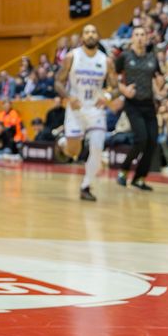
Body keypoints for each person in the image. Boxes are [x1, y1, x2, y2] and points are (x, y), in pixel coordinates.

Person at [56, 23, 117, 202]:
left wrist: (106, 95)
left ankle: (86, 186)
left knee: (97, 150)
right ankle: (62, 143)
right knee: (74, 151)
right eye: (87, 32)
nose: (90, 35)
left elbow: (115, 87)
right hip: (76, 109)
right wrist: (68, 97)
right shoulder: (71, 57)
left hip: (96, 110)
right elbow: (58, 82)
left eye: (93, 32)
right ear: (82, 37)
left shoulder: (106, 61)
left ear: (98, 36)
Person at [114, 24, 162, 190]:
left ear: (147, 38)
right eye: (137, 34)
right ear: (132, 38)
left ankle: (139, 178)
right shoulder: (125, 57)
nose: (140, 37)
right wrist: (123, 90)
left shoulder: (152, 58)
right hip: (133, 104)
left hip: (149, 104)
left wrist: (161, 88)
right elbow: (113, 78)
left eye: (143, 34)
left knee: (152, 141)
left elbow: (158, 78)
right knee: (141, 139)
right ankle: (123, 171)